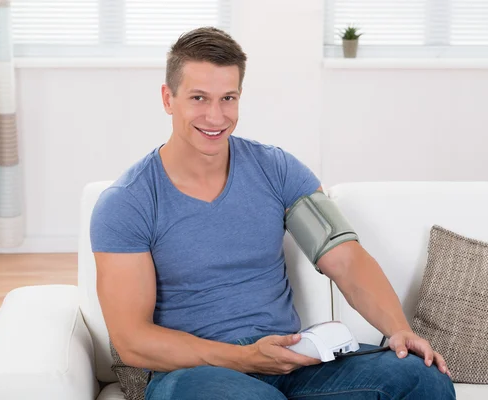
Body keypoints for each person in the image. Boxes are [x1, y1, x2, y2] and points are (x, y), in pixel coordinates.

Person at [91, 26, 456, 400]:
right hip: (198, 374)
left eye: (227, 98)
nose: (215, 117)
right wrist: (244, 358)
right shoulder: (126, 202)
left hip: (291, 364)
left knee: (423, 379)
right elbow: (132, 339)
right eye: (199, 98)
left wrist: (399, 329)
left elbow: (346, 260)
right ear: (168, 98)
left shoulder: (276, 169)